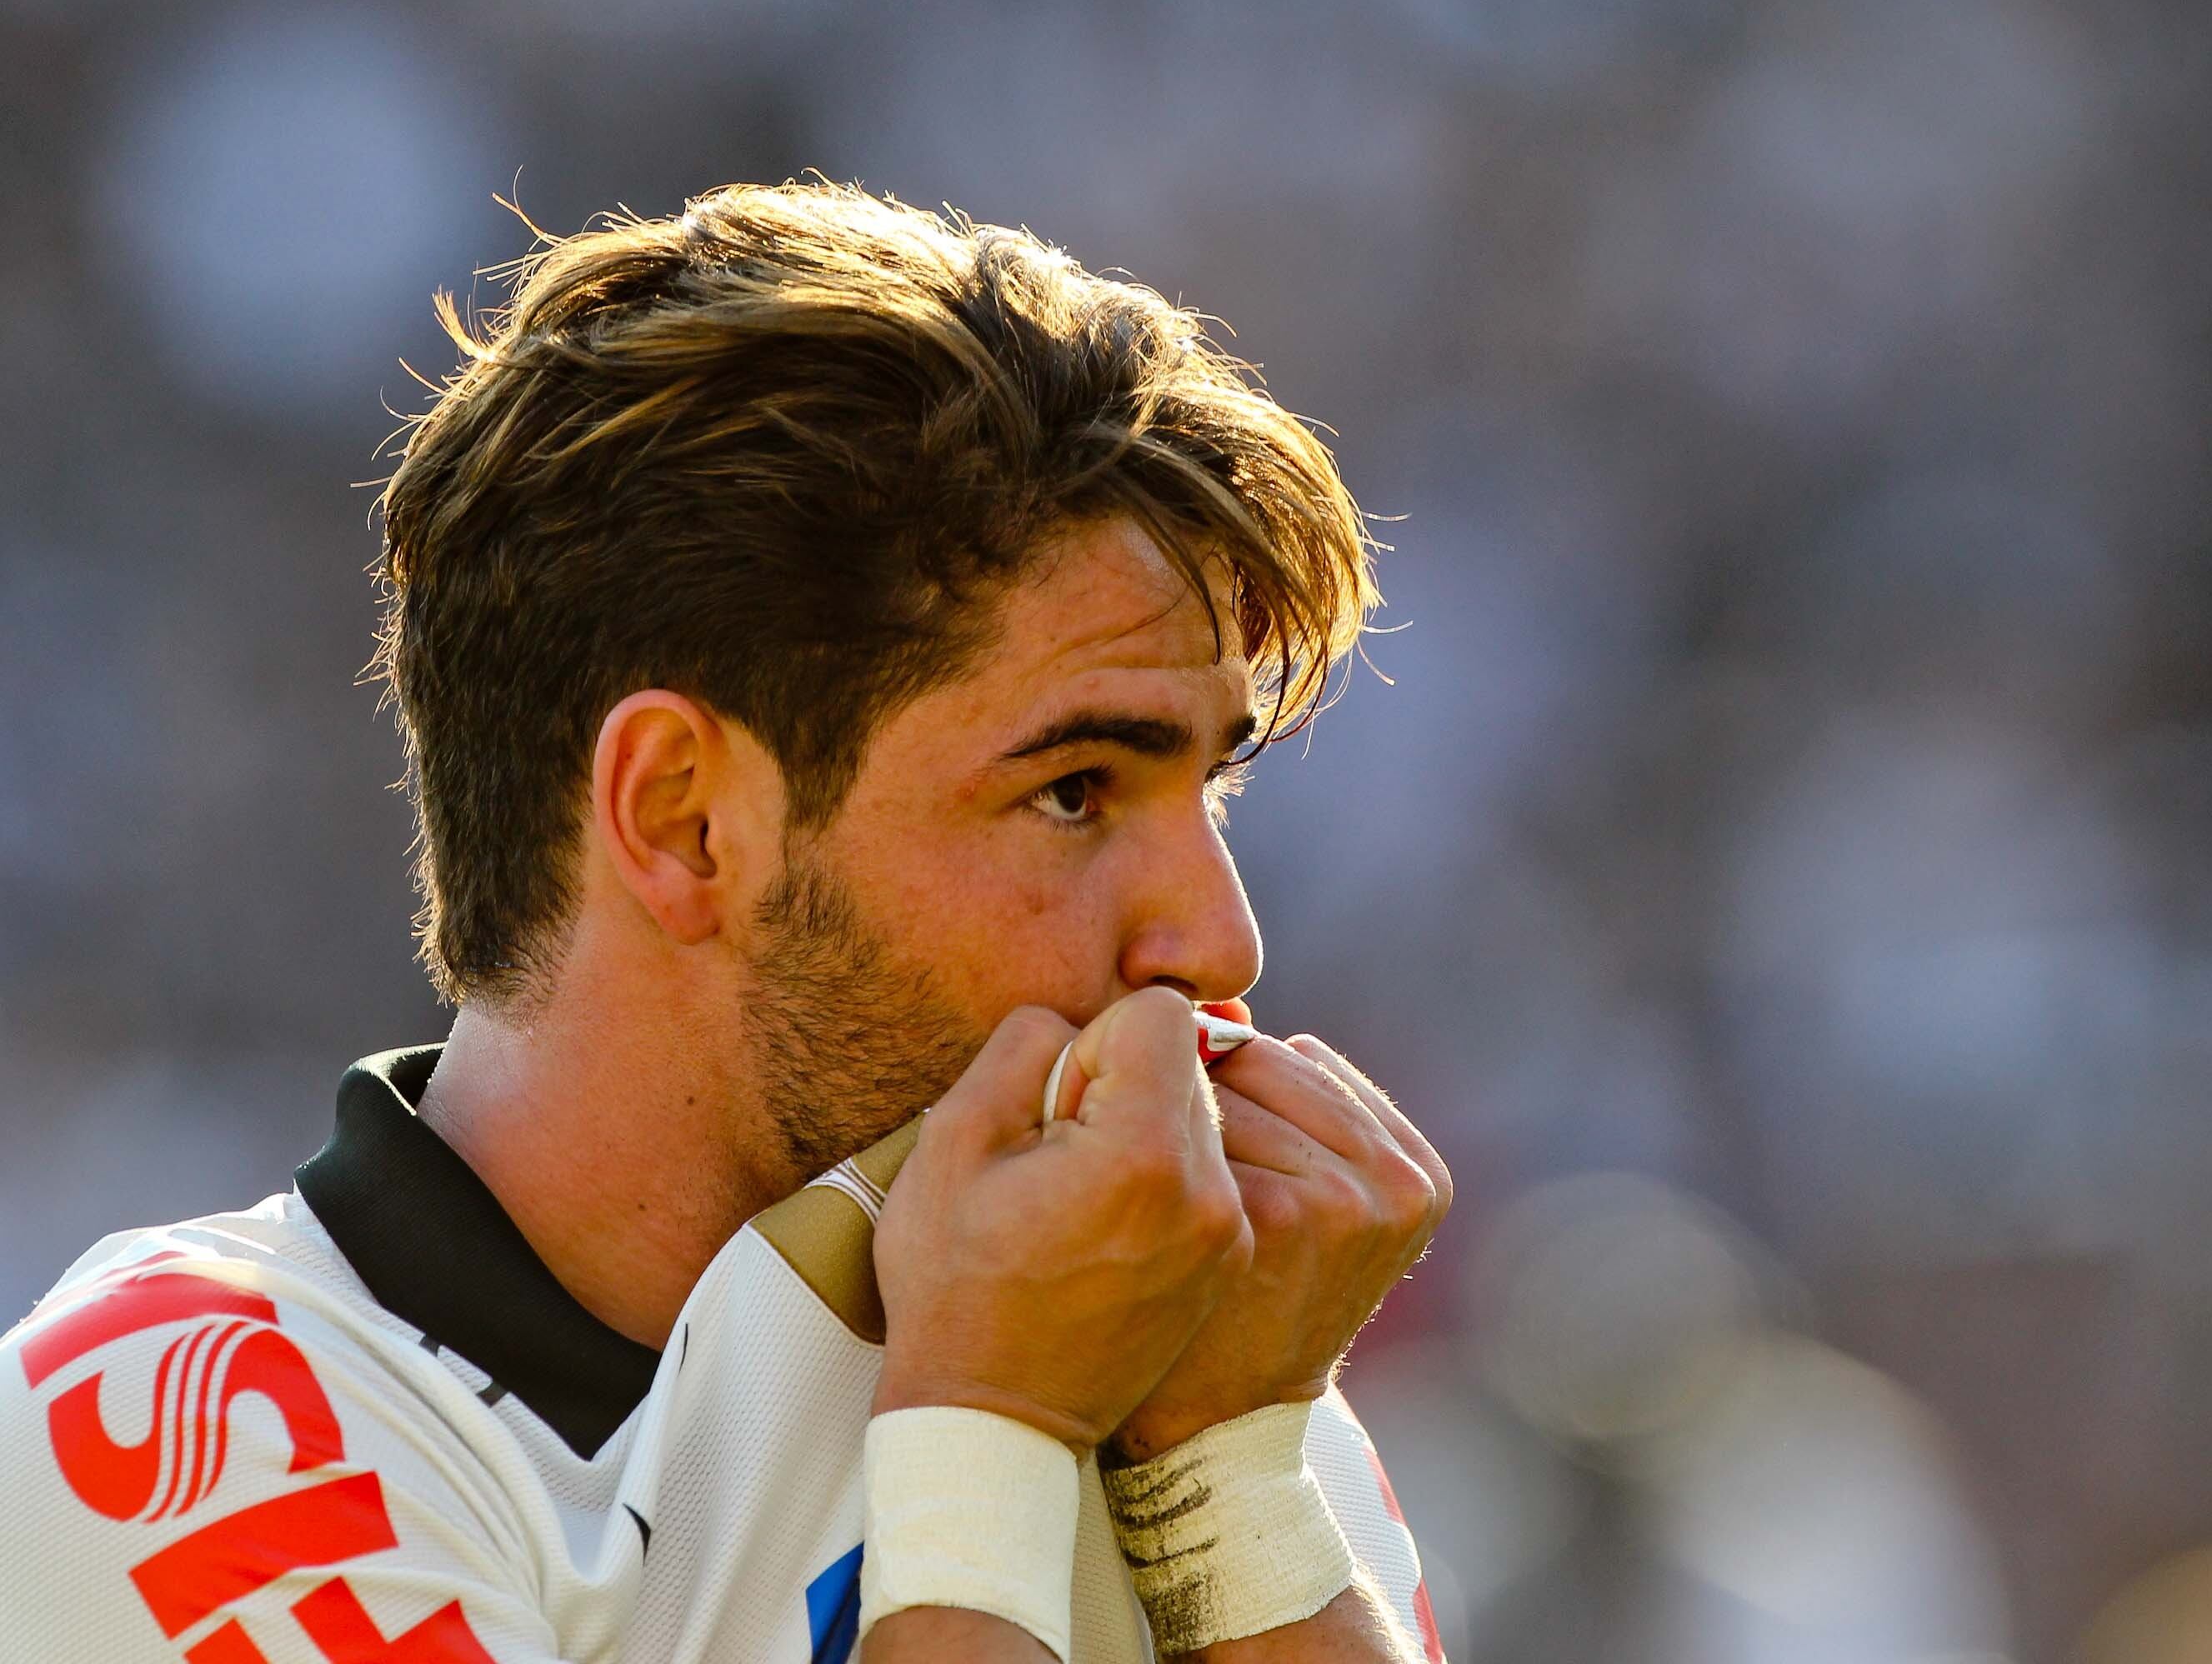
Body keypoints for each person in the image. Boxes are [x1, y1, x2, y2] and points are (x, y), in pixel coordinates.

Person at [0, 183, 1452, 1663]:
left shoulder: (1165, 1384)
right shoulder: (181, 1434)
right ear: (683, 817)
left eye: (1211, 784)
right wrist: (990, 1440)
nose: (1217, 944)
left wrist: (1230, 1480)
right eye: (1076, 790)